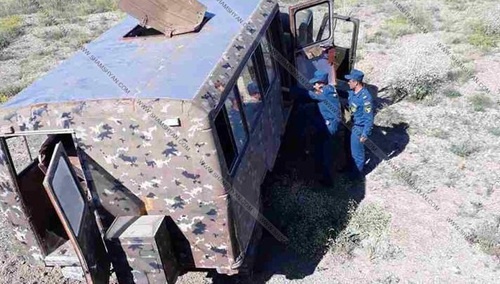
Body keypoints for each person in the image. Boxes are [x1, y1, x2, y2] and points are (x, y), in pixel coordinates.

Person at [303, 70, 342, 185]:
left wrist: (293, 91)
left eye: (315, 83)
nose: (314, 86)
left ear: (321, 83)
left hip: (330, 125)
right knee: (322, 146)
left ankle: (327, 181)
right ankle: (321, 171)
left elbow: (310, 95)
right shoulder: (329, 89)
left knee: (326, 152)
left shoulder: (325, 93)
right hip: (330, 122)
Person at [346, 69, 374, 177]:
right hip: (352, 124)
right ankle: (350, 168)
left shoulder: (365, 98)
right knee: (349, 149)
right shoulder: (353, 93)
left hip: (359, 127)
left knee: (357, 153)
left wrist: (365, 134)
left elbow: (369, 118)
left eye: (350, 81)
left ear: (356, 82)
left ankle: (356, 175)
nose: (348, 82)